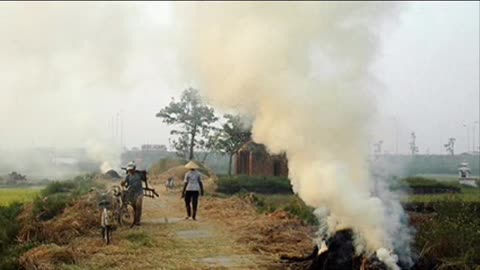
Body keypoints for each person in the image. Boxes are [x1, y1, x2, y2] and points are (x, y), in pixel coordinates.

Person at [121, 161, 144, 227]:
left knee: (138, 205)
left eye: (132, 169)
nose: (130, 171)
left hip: (139, 192)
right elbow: (124, 182)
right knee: (133, 206)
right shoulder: (128, 176)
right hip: (131, 193)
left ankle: (137, 221)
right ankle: (134, 219)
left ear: (134, 168)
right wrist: (122, 183)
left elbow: (145, 178)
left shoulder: (139, 174)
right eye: (129, 169)